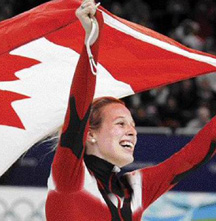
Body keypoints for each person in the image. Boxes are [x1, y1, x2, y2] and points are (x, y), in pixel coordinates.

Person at [45, 1, 216, 220]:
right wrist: (91, 41)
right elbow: (78, 110)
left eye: (133, 125)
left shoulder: (135, 189)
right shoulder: (70, 178)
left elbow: (191, 156)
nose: (132, 132)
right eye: (120, 123)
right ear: (89, 134)